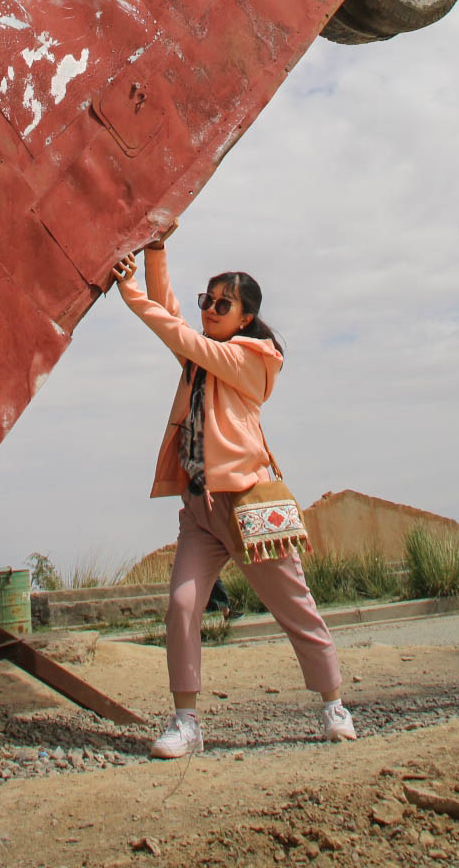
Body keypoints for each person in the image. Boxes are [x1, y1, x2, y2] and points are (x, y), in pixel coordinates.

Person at [112, 219, 356, 759]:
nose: (209, 310)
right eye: (207, 300)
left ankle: (333, 703)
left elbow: (175, 332)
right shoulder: (203, 358)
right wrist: (156, 250)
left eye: (222, 304)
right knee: (181, 607)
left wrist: (130, 292)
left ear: (245, 317)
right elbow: (174, 314)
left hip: (248, 505)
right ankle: (186, 721)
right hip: (200, 509)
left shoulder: (251, 360)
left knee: (294, 606)